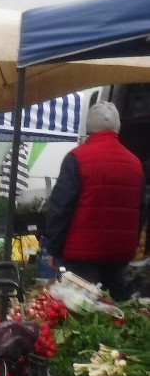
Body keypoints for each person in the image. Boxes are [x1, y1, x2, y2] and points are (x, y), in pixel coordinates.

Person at [45, 102, 144, 301]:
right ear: (118, 127)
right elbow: (139, 211)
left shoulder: (77, 158)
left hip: (80, 256)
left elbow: (60, 208)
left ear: (89, 128)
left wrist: (53, 249)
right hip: (118, 256)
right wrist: (128, 246)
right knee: (115, 315)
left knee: (80, 316)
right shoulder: (135, 163)